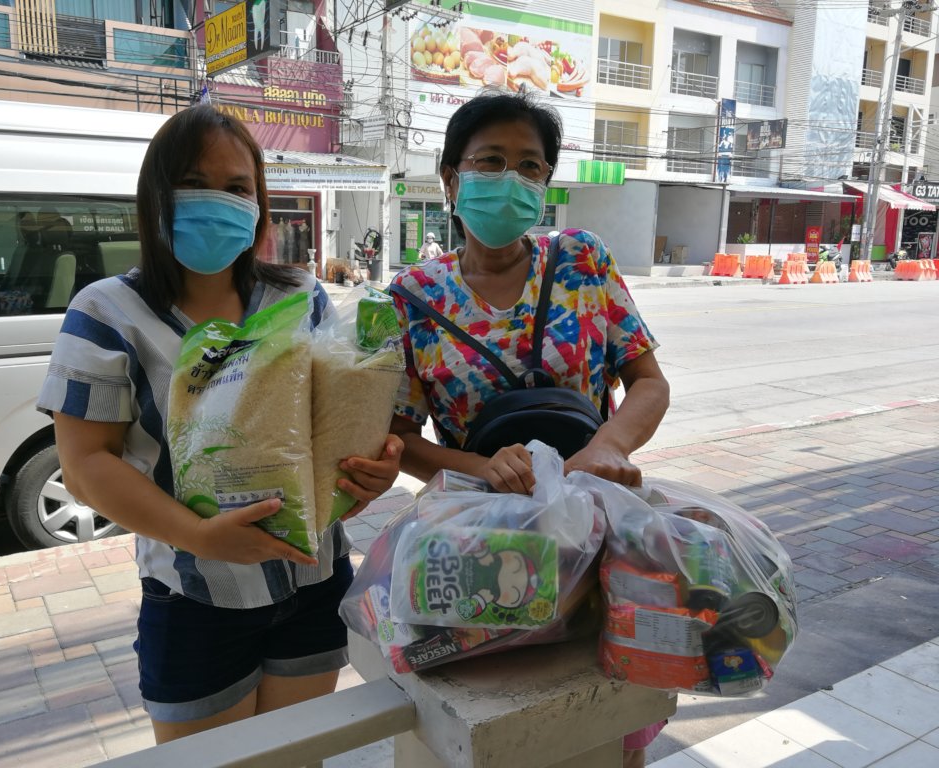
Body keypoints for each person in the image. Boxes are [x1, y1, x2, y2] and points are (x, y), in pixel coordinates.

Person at [37, 105, 403, 744]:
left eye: (237, 187)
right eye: (193, 182)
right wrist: (200, 536)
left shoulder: (300, 295)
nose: (217, 200)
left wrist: (371, 469)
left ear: (260, 203)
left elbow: (331, 426)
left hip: (313, 583)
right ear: (156, 198)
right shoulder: (106, 312)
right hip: (195, 601)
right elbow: (86, 465)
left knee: (294, 761)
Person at [387, 92, 670, 768]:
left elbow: (649, 383)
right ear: (452, 178)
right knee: (503, 717)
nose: (511, 180)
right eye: (491, 161)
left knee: (608, 722)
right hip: (480, 545)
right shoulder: (412, 299)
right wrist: (477, 466)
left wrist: (608, 444)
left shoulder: (581, 261)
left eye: (530, 166)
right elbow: (400, 438)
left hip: (595, 529)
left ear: (546, 183)